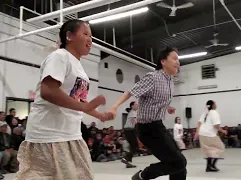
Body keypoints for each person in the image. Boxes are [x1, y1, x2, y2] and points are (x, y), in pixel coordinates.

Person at [15, 19, 109, 180]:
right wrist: (86, 108)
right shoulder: (59, 57)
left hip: (70, 134)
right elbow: (48, 91)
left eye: (91, 36)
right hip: (49, 136)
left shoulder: (79, 67)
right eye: (85, 34)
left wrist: (98, 114)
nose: (90, 39)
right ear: (69, 36)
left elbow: (78, 100)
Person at [105, 46, 187, 180]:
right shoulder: (153, 78)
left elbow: (157, 99)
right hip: (147, 129)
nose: (178, 62)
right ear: (163, 61)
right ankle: (142, 176)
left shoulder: (170, 81)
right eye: (174, 58)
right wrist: (114, 106)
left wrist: (167, 107)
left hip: (158, 126)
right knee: (178, 162)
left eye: (178, 59)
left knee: (179, 163)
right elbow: (130, 92)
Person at [195, 100, 227, 172]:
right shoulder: (214, 113)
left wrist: (197, 132)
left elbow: (199, 122)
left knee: (208, 150)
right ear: (212, 105)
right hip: (209, 134)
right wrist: (223, 131)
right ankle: (212, 165)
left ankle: (208, 167)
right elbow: (216, 125)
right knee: (220, 148)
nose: (216, 105)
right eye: (215, 103)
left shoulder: (205, 112)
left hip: (202, 133)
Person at [121, 101, 139, 168]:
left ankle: (128, 163)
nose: (137, 105)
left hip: (130, 130)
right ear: (132, 106)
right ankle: (125, 158)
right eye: (136, 104)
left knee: (133, 146)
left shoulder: (134, 112)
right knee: (134, 146)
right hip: (129, 130)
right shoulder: (132, 112)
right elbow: (135, 122)